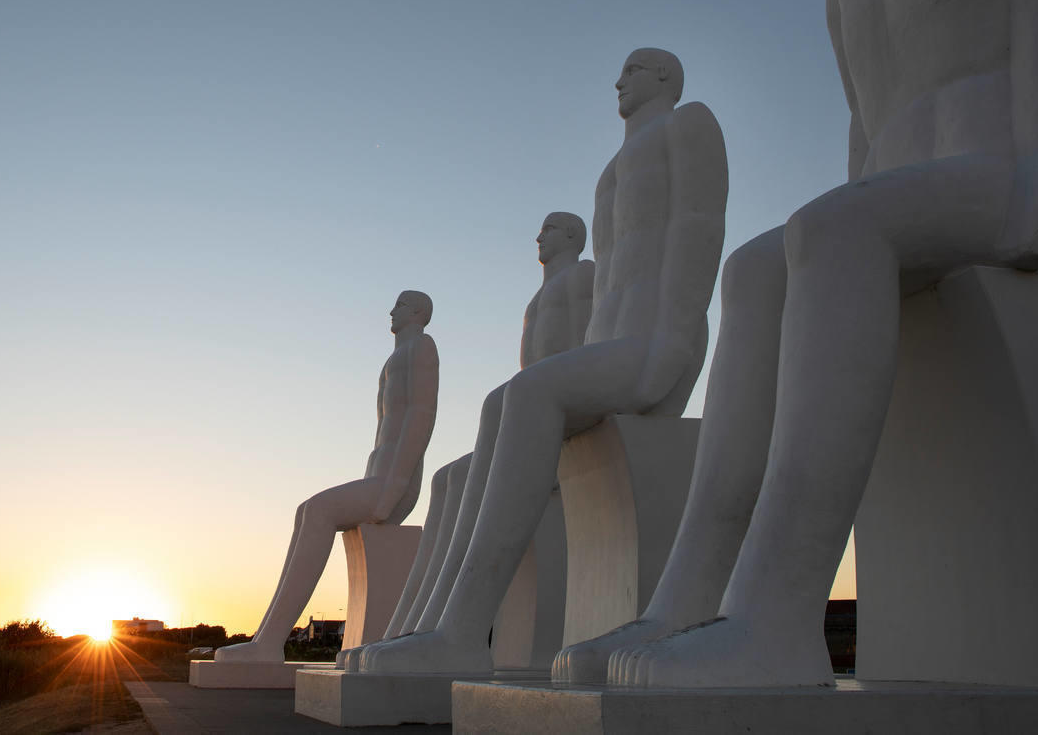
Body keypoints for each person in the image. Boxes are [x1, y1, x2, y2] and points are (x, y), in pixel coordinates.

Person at [559, 0, 1038, 688]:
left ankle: (776, 615)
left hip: (1000, 173)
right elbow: (866, 126)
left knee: (826, 226)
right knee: (758, 266)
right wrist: (838, 261)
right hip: (902, 200)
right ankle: (683, 600)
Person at [362, 49, 728, 674]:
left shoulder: (688, 125)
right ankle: (449, 624)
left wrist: (674, 350)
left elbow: (699, 231)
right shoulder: (612, 172)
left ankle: (462, 631)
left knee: (528, 393)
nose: (618, 80)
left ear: (665, 77)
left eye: (634, 69)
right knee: (503, 400)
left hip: (653, 346)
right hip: (610, 348)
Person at [346, 212, 594, 663]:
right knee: (448, 479)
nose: (539, 236)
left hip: (560, 416)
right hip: (535, 416)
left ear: (574, 236)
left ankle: (458, 630)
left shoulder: (583, 275)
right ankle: (420, 623)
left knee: (490, 430)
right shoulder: (537, 300)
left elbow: (583, 348)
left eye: (550, 229)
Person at [213, 290, 439, 664]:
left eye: (399, 305)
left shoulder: (422, 349)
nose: (391, 311)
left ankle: (270, 642)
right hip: (379, 477)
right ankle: (266, 638)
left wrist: (393, 489)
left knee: (318, 510)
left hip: (394, 483)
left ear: (418, 311)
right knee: (306, 510)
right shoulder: (393, 361)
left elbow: (421, 416)